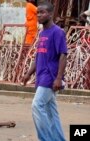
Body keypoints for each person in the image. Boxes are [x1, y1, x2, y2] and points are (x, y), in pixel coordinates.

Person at [22, 1, 67, 141]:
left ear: (51, 14)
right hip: (41, 76)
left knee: (37, 105)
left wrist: (59, 78)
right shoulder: (42, 33)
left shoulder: (57, 32)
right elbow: (39, 55)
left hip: (50, 77)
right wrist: (29, 73)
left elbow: (63, 55)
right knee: (50, 111)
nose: (39, 15)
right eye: (38, 13)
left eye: (43, 12)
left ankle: (45, 139)